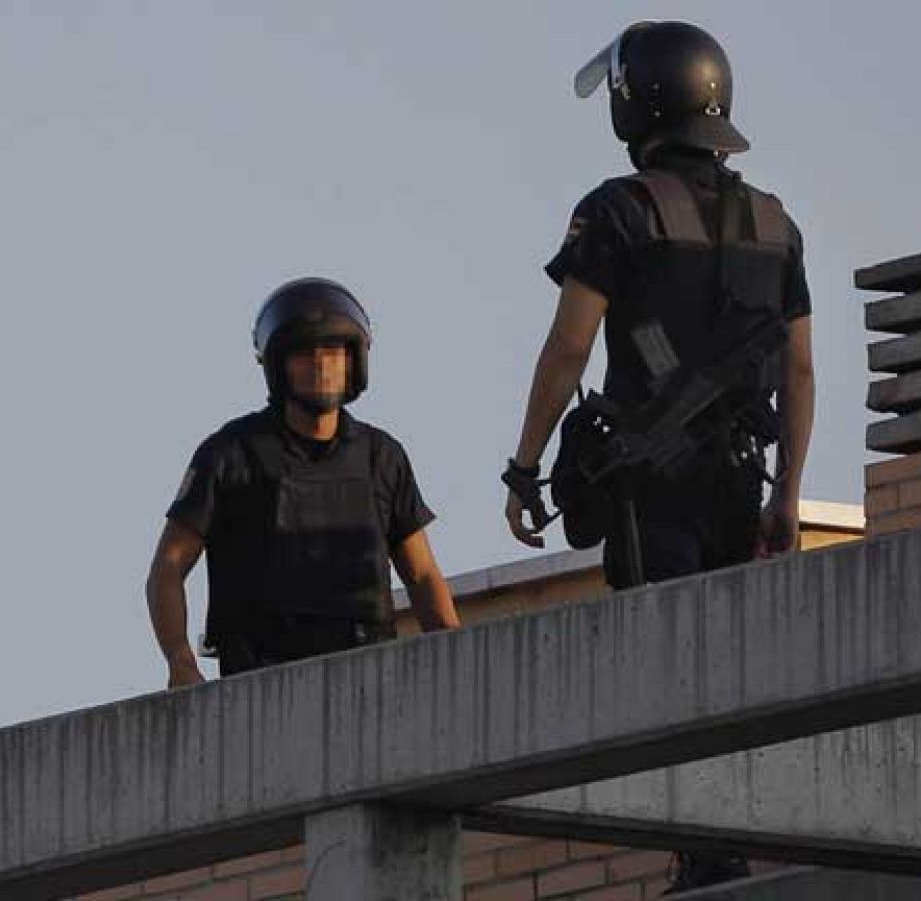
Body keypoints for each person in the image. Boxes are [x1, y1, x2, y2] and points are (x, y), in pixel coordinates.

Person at [501, 23, 815, 892]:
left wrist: (524, 468)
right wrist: (787, 492)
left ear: (638, 101)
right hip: (740, 479)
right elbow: (799, 368)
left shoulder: (618, 208)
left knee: (668, 666)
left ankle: (705, 858)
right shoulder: (775, 221)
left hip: (654, 487)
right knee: (730, 665)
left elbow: (568, 348)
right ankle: (724, 848)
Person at [147, 277, 459, 688]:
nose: (322, 365)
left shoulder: (380, 457)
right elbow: (167, 569)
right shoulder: (229, 454)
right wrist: (180, 663)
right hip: (258, 682)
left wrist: (459, 661)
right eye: (305, 353)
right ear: (278, 365)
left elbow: (421, 574)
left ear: (355, 360)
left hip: (369, 678)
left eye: (334, 351)